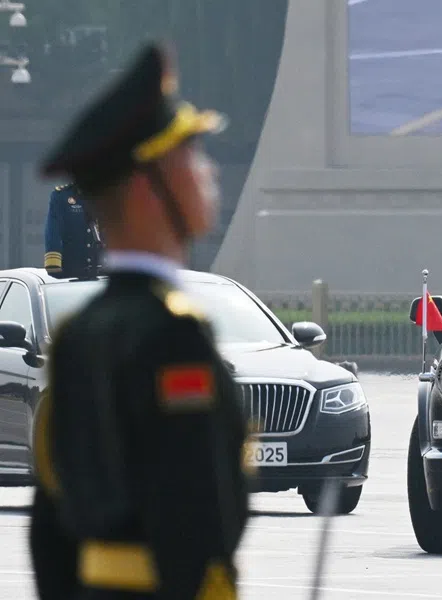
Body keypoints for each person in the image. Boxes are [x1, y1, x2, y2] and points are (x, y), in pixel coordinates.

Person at [29, 42, 250, 600]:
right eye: (190, 156)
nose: (209, 172)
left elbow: (49, 532)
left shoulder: (80, 334)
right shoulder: (172, 334)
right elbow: (194, 514)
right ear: (148, 190)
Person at [44, 181, 104, 278]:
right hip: (73, 269)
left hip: (104, 269)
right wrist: (53, 263)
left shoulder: (108, 194)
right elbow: (53, 232)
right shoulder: (62, 196)